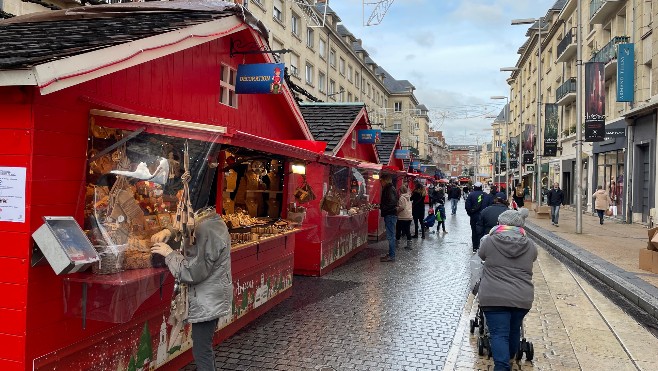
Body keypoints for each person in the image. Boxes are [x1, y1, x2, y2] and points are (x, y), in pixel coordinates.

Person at [151, 207, 232, 371]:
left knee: (202, 350)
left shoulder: (205, 230)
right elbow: (189, 223)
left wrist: (169, 254)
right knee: (203, 347)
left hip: (208, 300)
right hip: (210, 297)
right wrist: (170, 231)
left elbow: (193, 272)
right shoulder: (209, 222)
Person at [478, 208, 537, 371]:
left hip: (493, 296)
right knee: (513, 332)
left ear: (500, 223)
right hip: (521, 298)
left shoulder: (489, 241)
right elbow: (533, 257)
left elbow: (481, 256)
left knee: (498, 334)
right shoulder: (530, 245)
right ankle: (509, 361)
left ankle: (502, 366)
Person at [465, 182, 493, 252]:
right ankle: (482, 246)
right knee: (483, 231)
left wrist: (470, 214)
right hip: (484, 217)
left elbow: (467, 207)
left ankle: (475, 247)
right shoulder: (487, 196)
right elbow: (490, 206)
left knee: (474, 231)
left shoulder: (470, 195)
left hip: (474, 217)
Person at [379, 174, 398, 262]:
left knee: (390, 236)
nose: (380, 182)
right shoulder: (391, 188)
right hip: (390, 214)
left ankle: (392, 255)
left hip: (390, 215)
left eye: (381, 180)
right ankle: (391, 253)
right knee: (391, 235)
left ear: (385, 180)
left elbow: (391, 203)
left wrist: (382, 207)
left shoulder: (389, 189)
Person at [396, 185, 413, 250]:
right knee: (407, 231)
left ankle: (397, 245)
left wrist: (397, 211)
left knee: (398, 230)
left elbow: (402, 207)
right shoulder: (409, 196)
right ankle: (409, 245)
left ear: (401, 191)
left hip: (402, 217)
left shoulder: (402, 198)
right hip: (409, 216)